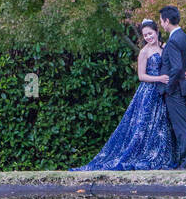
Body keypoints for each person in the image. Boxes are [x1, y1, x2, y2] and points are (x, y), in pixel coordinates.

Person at [73, 20, 177, 171]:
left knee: (161, 126)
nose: (148, 37)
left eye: (150, 33)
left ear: (157, 31)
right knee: (143, 126)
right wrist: (159, 79)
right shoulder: (144, 52)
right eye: (145, 35)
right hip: (148, 92)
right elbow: (141, 76)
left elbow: (174, 65)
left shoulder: (165, 47)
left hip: (164, 92)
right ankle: (143, 156)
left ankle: (160, 156)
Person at [157, 5, 186, 168]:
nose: (161, 25)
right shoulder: (183, 37)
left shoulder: (173, 40)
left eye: (161, 21)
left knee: (181, 128)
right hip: (181, 86)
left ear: (167, 21)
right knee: (182, 126)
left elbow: (177, 67)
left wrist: (168, 87)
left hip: (175, 90)